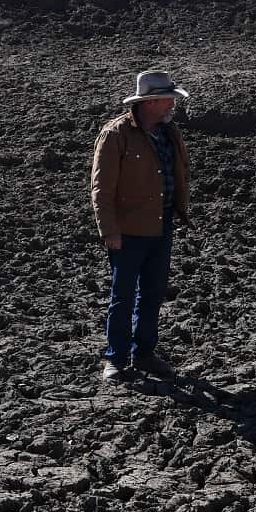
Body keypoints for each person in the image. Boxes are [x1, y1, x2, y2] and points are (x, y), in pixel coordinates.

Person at [90, 69, 191, 381]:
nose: (172, 105)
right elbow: (101, 189)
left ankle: (144, 353)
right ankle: (115, 359)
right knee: (122, 296)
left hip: (161, 225)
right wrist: (110, 232)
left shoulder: (168, 131)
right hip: (128, 230)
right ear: (150, 103)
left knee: (152, 293)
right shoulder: (116, 135)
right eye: (167, 100)